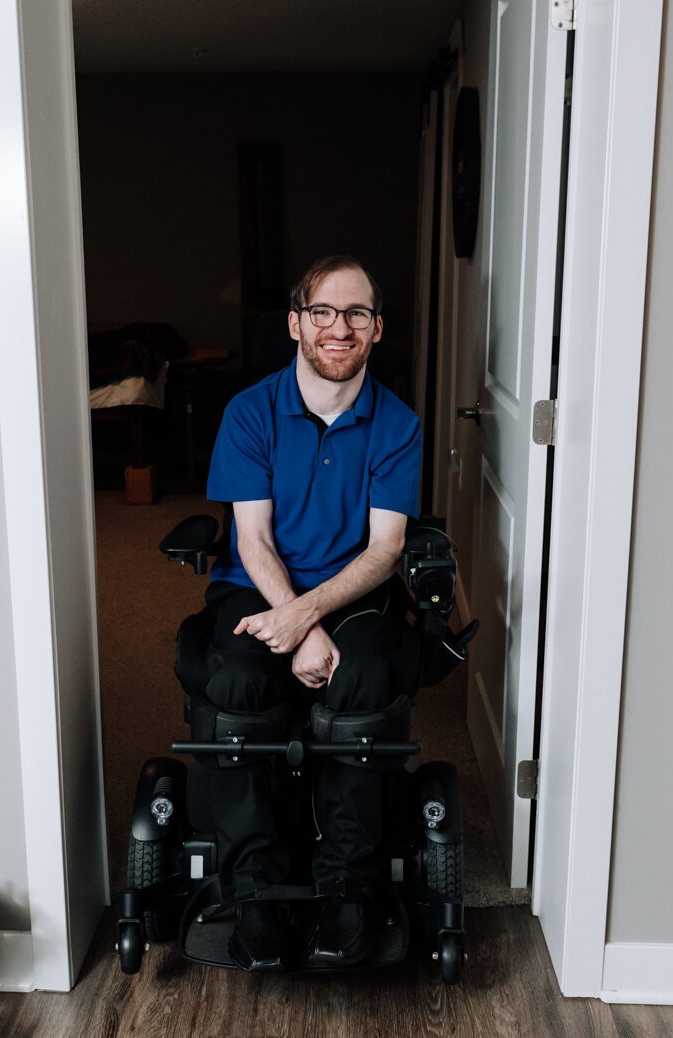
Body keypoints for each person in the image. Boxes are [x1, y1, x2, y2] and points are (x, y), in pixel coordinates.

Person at [200, 255, 421, 971]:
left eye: (357, 313)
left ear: (377, 329)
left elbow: (386, 551)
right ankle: (255, 894)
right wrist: (294, 620)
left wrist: (308, 620)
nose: (339, 327)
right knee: (235, 676)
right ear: (296, 323)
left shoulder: (397, 424)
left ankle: (347, 890)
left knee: (363, 680)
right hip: (257, 584)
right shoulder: (250, 412)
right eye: (323, 311)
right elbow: (252, 537)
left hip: (357, 593)